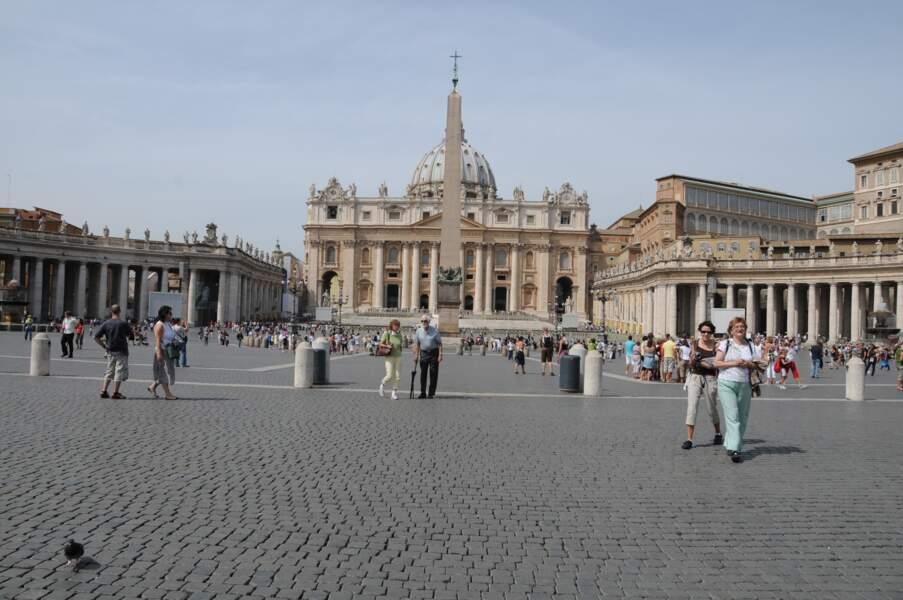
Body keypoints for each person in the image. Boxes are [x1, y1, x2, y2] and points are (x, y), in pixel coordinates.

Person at [714, 317, 761, 463]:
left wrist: (748, 363)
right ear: (731, 330)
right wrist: (735, 363)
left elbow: (757, 364)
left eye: (742, 327)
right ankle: (735, 448)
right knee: (732, 416)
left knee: (742, 417)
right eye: (737, 327)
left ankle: (729, 442)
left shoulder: (751, 345)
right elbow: (716, 363)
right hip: (726, 383)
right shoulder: (725, 344)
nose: (740, 329)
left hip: (745, 384)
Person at [682, 321, 722, 450]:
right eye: (703, 331)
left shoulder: (716, 346)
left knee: (711, 408)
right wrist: (693, 359)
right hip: (695, 377)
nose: (705, 334)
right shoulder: (694, 344)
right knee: (692, 406)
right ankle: (689, 439)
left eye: (708, 332)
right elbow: (690, 363)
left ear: (712, 333)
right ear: (700, 332)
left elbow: (719, 363)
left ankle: (718, 433)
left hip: (710, 378)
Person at [94, 304, 134, 399]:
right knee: (119, 371)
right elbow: (131, 336)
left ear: (111, 312)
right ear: (119, 312)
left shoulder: (106, 323)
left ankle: (104, 390)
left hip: (110, 350)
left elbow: (96, 337)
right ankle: (116, 392)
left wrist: (104, 346)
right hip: (122, 350)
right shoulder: (123, 323)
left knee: (109, 370)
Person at [150, 305, 179, 400]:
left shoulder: (168, 324)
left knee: (167, 371)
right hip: (161, 350)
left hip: (168, 351)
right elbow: (158, 341)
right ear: (165, 314)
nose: (171, 315)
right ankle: (168, 394)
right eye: (170, 313)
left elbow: (170, 336)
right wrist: (159, 353)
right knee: (163, 373)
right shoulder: (159, 325)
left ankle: (152, 387)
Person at [413, 315, 442, 399]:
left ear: (429, 322)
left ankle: (431, 393)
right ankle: (423, 392)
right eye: (422, 321)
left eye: (425, 321)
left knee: (433, 373)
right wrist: (416, 355)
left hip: (434, 353)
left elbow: (439, 343)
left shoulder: (435, 331)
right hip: (424, 353)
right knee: (423, 374)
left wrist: (440, 355)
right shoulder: (418, 331)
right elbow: (417, 344)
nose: (423, 322)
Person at [378, 319, 404, 400]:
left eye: (398, 325)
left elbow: (400, 344)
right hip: (389, 357)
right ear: (392, 326)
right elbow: (380, 343)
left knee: (397, 376)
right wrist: (387, 346)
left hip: (398, 356)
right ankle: (382, 385)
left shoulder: (399, 335)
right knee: (389, 375)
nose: (397, 327)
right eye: (395, 325)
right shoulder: (387, 333)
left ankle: (393, 393)